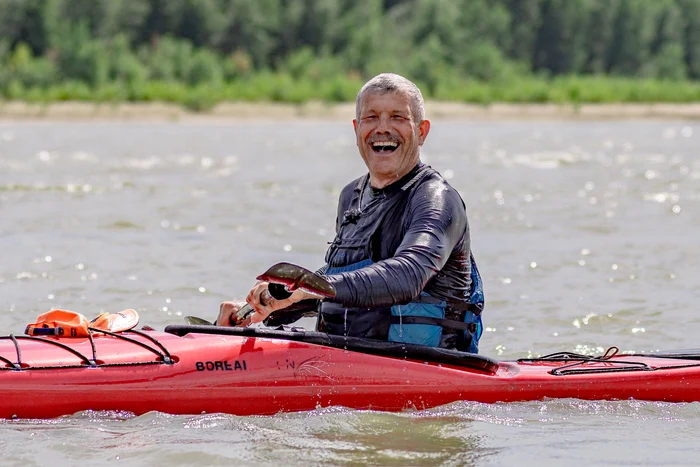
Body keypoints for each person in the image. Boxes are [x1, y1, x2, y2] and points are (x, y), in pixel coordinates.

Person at [217, 73, 484, 353]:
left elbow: (410, 274)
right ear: (357, 129)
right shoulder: (351, 196)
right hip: (345, 357)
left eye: (397, 117)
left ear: (422, 131)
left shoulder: (435, 199)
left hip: (427, 368)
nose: (383, 128)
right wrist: (267, 307)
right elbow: (344, 285)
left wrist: (311, 286)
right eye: (371, 118)